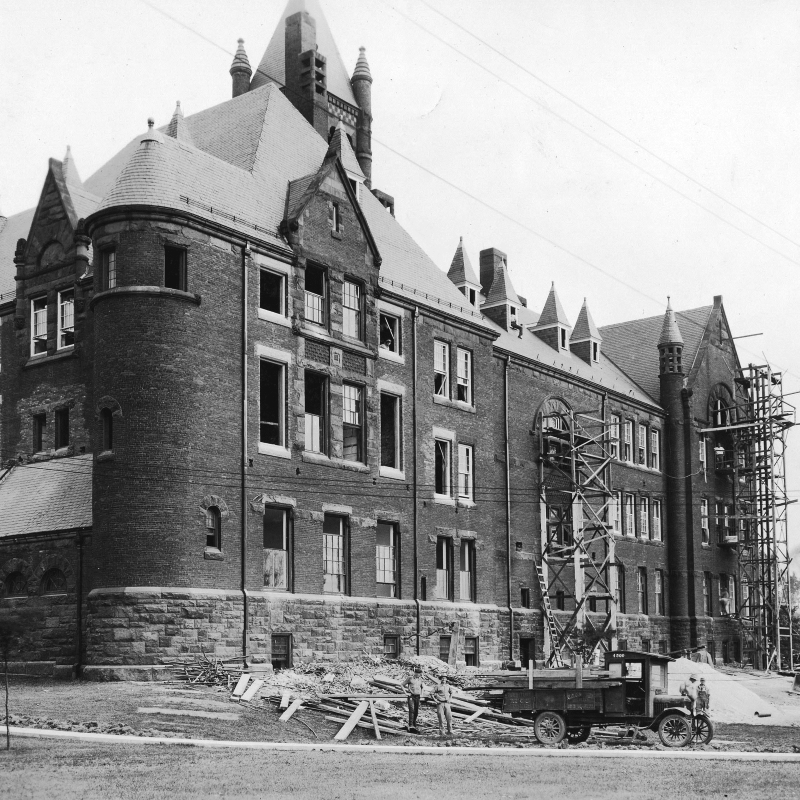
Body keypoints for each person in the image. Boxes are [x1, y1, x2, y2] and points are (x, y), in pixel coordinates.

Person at [402, 665, 424, 731]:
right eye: (417, 673)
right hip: (411, 696)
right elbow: (402, 685)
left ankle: (414, 724)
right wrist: (406, 693)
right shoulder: (410, 678)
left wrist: (422, 694)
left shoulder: (420, 680)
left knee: (416, 711)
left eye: (419, 674)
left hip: (418, 696)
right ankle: (410, 725)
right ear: (415, 673)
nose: (418, 675)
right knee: (411, 710)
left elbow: (422, 687)